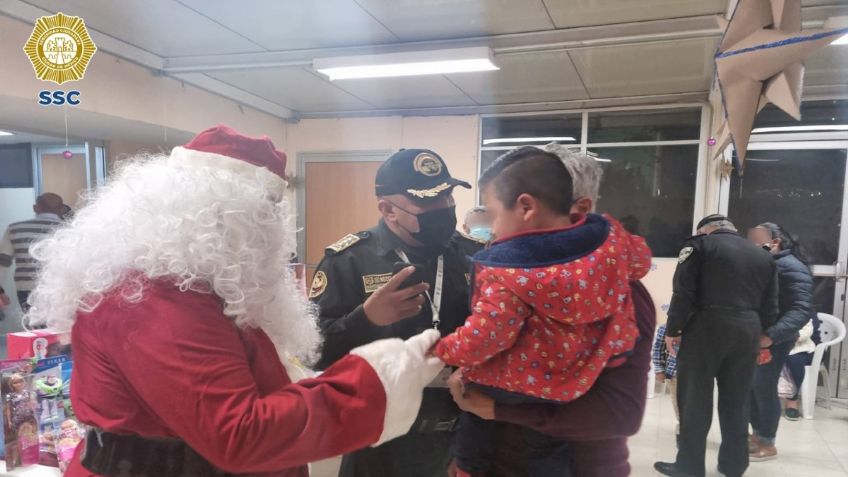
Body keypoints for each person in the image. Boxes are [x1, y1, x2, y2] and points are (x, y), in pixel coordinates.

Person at [23, 126, 445, 477]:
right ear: (209, 211)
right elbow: (238, 433)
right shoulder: (155, 295)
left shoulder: (196, 282)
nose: (272, 229)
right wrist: (375, 380)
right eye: (261, 212)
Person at [435, 146, 651, 477]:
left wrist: (494, 408)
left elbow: (621, 414)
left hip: (580, 465)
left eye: (495, 215)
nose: (493, 231)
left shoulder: (623, 292)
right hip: (498, 456)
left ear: (580, 210)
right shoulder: (512, 274)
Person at [311, 148, 474, 477]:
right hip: (377, 439)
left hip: (460, 433)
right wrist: (365, 320)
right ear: (388, 209)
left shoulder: (473, 255)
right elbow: (312, 352)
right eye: (428, 200)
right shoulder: (348, 260)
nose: (444, 207)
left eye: (447, 195)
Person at [655, 215, 779, 477]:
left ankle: (689, 467)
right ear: (732, 229)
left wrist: (674, 328)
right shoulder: (763, 256)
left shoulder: (700, 245)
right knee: (737, 400)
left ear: (705, 230)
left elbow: (684, 291)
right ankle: (733, 465)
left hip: (706, 326)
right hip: (748, 329)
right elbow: (771, 303)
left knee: (694, 400)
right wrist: (764, 335)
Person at [746, 222, 816, 460]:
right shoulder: (768, 263)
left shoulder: (791, 267)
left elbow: (800, 310)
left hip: (773, 339)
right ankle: (756, 435)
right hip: (757, 337)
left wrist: (770, 336)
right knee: (752, 388)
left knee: (764, 389)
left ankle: (767, 442)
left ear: (774, 242)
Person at [0, 193, 66, 312]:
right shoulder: (70, 230)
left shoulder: (14, 229)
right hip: (63, 288)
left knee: (34, 327)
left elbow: (2, 263)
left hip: (27, 288)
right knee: (62, 327)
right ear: (62, 209)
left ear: (35, 208)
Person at [780, 317, 819, 420]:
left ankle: (792, 400)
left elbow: (807, 331)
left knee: (794, 361)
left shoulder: (802, 311)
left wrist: (789, 336)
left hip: (800, 348)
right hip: (775, 346)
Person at [653, 323, 680, 444]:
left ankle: (693, 431)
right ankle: (682, 430)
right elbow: (658, 349)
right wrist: (659, 370)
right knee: (679, 405)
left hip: (698, 375)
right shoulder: (667, 327)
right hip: (674, 374)